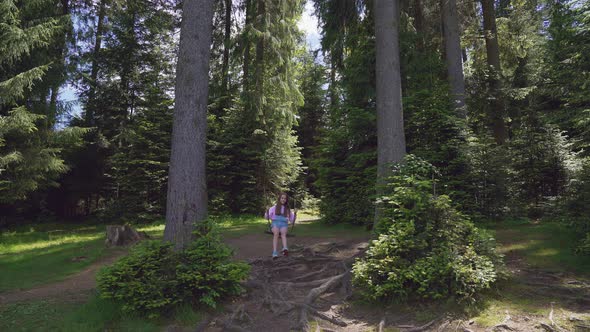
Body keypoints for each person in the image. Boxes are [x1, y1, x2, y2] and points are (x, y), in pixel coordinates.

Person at [265, 192, 296, 258]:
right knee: (276, 234)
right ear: (279, 199)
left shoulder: (287, 209)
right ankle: (274, 252)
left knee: (283, 234)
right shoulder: (274, 207)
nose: (283, 199)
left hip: (284, 224)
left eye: (285, 198)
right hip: (275, 223)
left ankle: (285, 248)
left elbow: (292, 220)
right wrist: (267, 210)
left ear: (286, 200)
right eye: (282, 198)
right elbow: (267, 217)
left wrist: (295, 213)